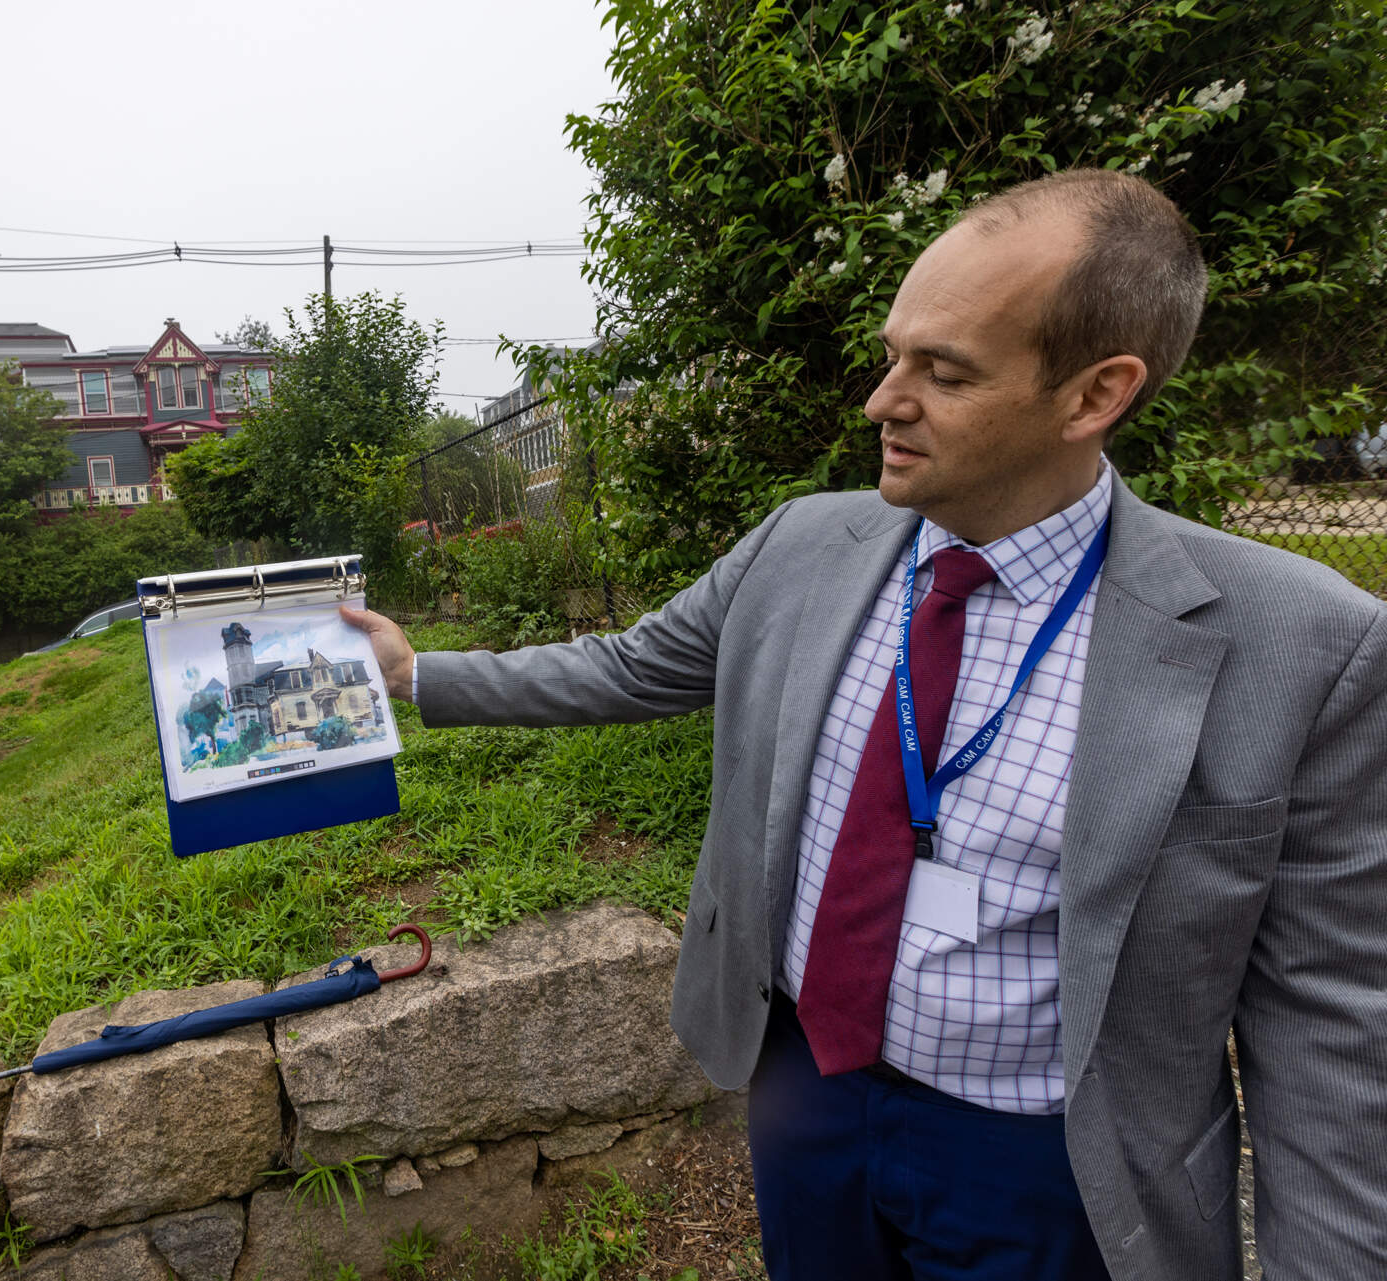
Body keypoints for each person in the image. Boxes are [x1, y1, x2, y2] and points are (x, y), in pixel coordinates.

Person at [343, 169, 1387, 1280]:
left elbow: (1333, 1030)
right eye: (895, 355)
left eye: (943, 373)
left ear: (1095, 396)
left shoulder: (1303, 646)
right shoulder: (803, 546)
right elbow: (633, 664)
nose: (882, 401)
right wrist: (417, 677)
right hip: (809, 1098)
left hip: (1053, 1169)